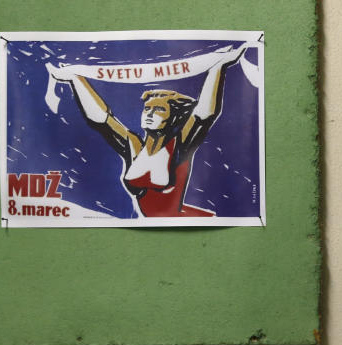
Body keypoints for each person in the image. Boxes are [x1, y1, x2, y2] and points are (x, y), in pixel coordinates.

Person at [48, 46, 244, 217]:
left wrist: (218, 66)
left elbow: (204, 113)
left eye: (159, 110)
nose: (150, 113)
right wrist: (75, 79)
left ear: (173, 118)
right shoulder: (134, 145)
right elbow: (101, 119)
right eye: (148, 109)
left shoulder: (178, 145)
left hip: (181, 222)